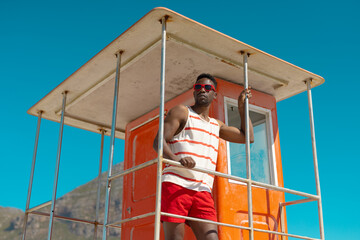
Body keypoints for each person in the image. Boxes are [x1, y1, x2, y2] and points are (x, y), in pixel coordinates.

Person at [153, 73, 254, 240]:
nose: (202, 90)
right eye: (198, 87)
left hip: (203, 190)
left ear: (214, 95)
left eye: (208, 88)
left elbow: (247, 137)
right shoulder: (182, 112)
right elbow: (158, 141)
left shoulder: (216, 125)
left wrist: (242, 106)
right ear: (193, 93)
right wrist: (177, 160)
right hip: (176, 184)